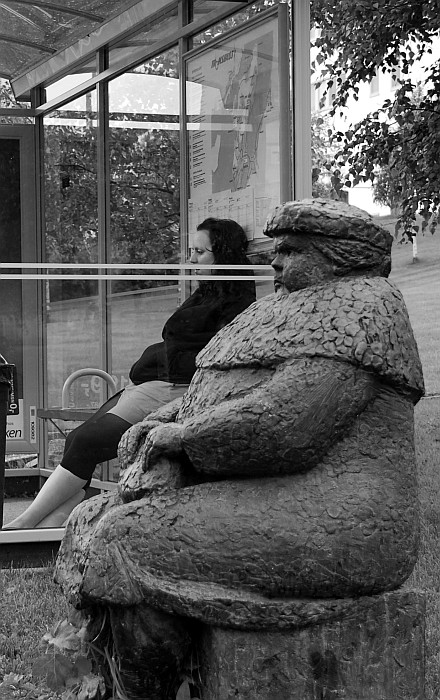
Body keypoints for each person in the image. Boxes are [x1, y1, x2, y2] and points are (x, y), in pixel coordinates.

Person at [54, 199, 424, 698]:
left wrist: (183, 438)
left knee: (127, 539)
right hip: (277, 492)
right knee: (90, 517)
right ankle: (117, 678)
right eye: (276, 249)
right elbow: (220, 393)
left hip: (344, 518)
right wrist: (164, 419)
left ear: (339, 257)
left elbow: (286, 425)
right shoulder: (282, 307)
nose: (275, 261)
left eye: (291, 250)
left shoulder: (364, 309)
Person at [4, 218, 256, 529]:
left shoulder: (237, 300)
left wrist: (164, 365)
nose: (191, 260)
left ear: (224, 256)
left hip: (171, 390)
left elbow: (216, 355)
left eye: (200, 252)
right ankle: (53, 523)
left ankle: (25, 524)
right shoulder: (209, 291)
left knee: (85, 442)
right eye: (191, 251)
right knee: (76, 441)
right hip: (151, 384)